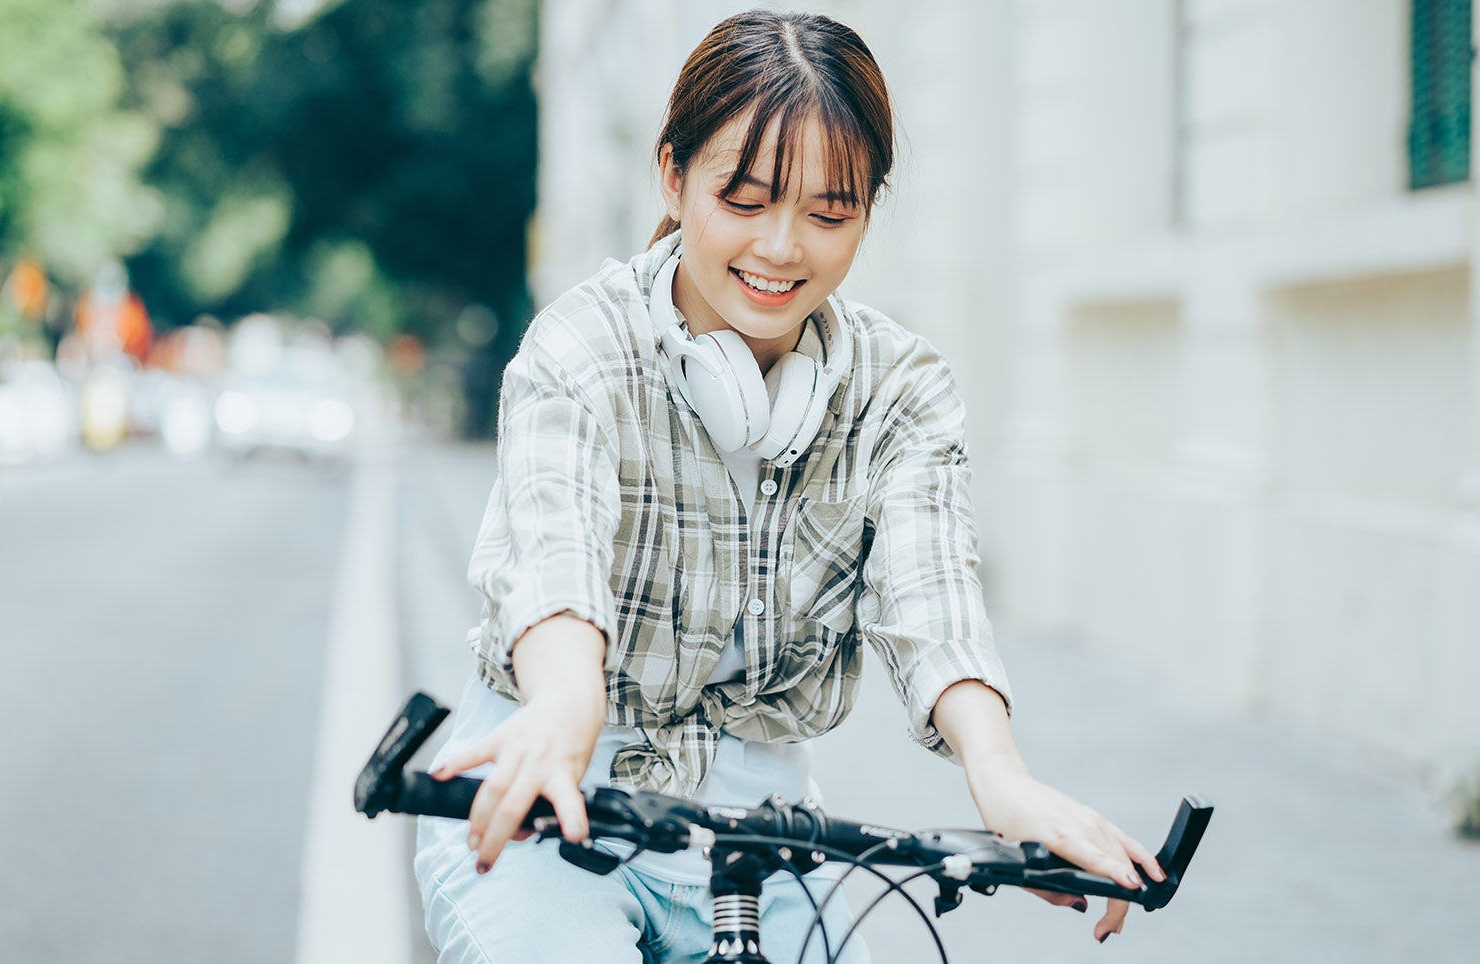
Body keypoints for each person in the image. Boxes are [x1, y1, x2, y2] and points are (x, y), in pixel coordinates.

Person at [417, 10, 1162, 962]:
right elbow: (555, 546)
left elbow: (932, 596)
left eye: (829, 212)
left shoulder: (901, 389)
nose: (781, 247)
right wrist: (567, 704)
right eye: (746, 198)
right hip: (547, 785)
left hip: (763, 831)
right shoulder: (581, 346)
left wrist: (1001, 777)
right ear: (673, 175)